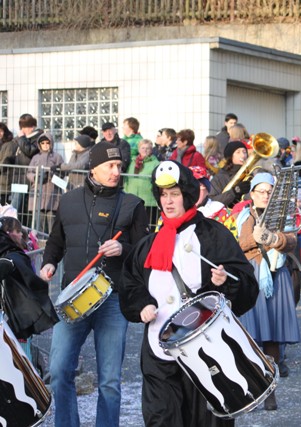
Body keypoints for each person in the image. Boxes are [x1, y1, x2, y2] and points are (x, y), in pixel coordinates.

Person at [119, 160, 257, 426]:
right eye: (163, 195)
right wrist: (142, 304)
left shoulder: (213, 235)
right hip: (160, 351)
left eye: (174, 194)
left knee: (206, 421)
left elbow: (246, 283)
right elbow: (130, 282)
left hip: (206, 351)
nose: (168, 201)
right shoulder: (149, 243)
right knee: (161, 419)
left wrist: (226, 280)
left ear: (188, 195)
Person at [40, 141, 149, 427]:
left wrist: (123, 249)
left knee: (110, 381)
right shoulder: (68, 201)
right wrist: (49, 263)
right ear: (93, 167)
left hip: (112, 299)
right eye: (110, 166)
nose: (116, 172)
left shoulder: (132, 205)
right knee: (59, 371)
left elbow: (144, 253)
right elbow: (56, 241)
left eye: (119, 166)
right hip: (72, 297)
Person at [234, 172, 301, 410]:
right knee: (251, 337)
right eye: (260, 191)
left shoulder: (283, 215)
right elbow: (240, 244)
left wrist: (274, 238)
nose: (265, 195)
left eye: (269, 191)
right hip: (254, 276)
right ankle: (254, 389)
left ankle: (270, 391)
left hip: (277, 275)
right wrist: (257, 239)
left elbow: (292, 241)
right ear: (252, 194)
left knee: (273, 336)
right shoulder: (245, 215)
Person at [26, 132, 64, 233]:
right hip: (38, 192)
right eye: (42, 143)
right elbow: (29, 172)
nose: (45, 145)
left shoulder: (57, 157)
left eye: (47, 143)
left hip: (52, 192)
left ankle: (52, 239)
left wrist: (53, 174)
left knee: (52, 220)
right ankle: (38, 238)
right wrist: (36, 178)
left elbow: (63, 172)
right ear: (39, 144)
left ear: (51, 143)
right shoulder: (35, 157)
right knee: (38, 220)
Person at [11, 114, 43, 225]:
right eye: (22, 127)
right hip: (18, 176)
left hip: (28, 177)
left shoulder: (38, 138)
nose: (23, 130)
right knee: (16, 206)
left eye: (26, 127)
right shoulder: (21, 139)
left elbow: (30, 151)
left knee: (23, 207)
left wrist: (22, 138)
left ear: (32, 126)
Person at [124, 139, 161, 223]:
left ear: (151, 150)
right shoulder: (132, 162)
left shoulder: (155, 163)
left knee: (148, 224)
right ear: (139, 149)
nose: (145, 150)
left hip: (149, 202)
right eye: (143, 148)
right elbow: (126, 179)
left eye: (148, 148)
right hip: (132, 200)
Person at [209, 140, 251, 208]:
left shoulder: (250, 174)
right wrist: (234, 191)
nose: (243, 155)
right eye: (238, 152)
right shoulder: (219, 178)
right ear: (230, 156)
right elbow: (212, 201)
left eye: (244, 152)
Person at [0, 122, 18, 205]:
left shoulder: (10, 144)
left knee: (4, 205)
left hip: (5, 179)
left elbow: (6, 160)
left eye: (1, 131)